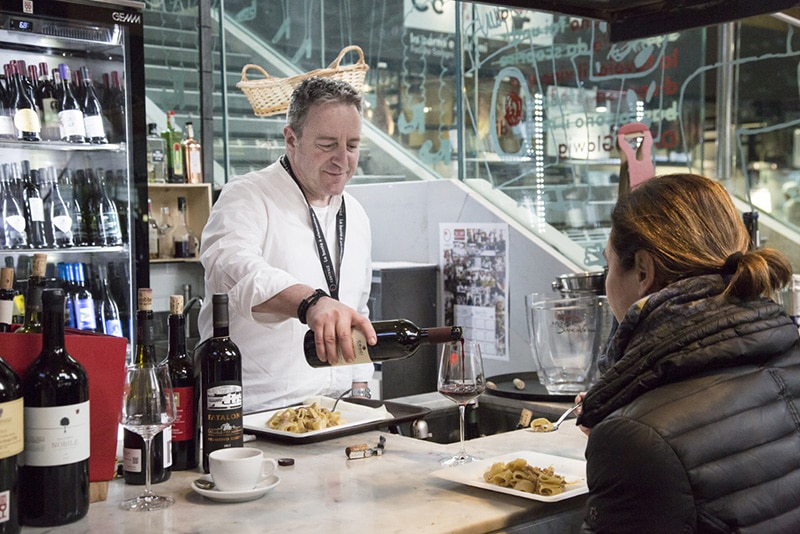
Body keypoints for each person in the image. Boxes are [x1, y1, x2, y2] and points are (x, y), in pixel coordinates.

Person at [575, 173, 800, 532]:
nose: (607, 282)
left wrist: (623, 430)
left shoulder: (635, 440)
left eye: (609, 265)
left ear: (644, 271)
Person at [197, 77, 376, 412]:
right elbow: (233, 273)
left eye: (352, 146)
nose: (342, 160)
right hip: (254, 416)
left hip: (337, 414)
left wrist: (361, 389)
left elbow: (356, 309)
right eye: (327, 145)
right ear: (291, 139)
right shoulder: (246, 196)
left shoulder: (356, 213)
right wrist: (311, 303)